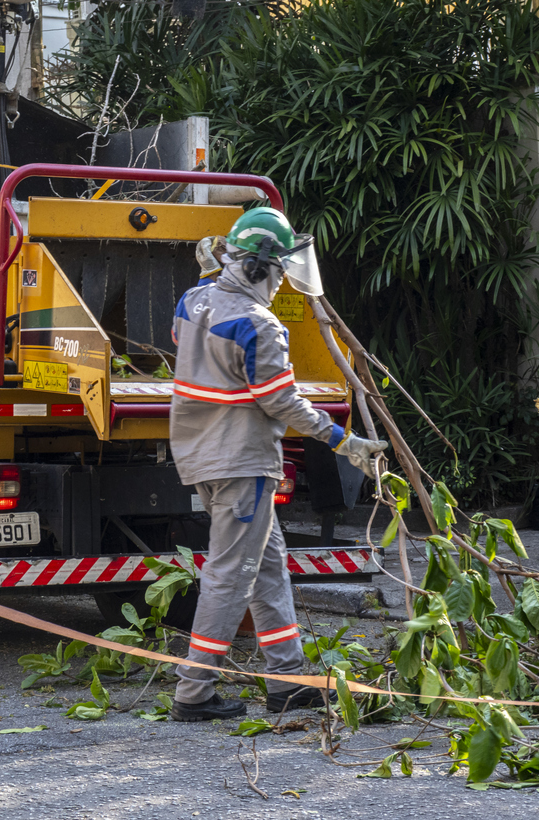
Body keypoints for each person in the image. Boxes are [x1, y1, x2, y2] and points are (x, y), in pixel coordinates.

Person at [168, 207, 388, 721]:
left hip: (202, 455)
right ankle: (193, 692)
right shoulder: (260, 325)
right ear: (260, 268)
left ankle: (287, 680)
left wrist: (211, 276)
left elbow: (187, 339)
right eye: (279, 268)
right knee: (231, 574)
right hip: (241, 461)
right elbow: (282, 403)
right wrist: (343, 440)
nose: (282, 279)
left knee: (266, 567)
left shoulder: (192, 300)